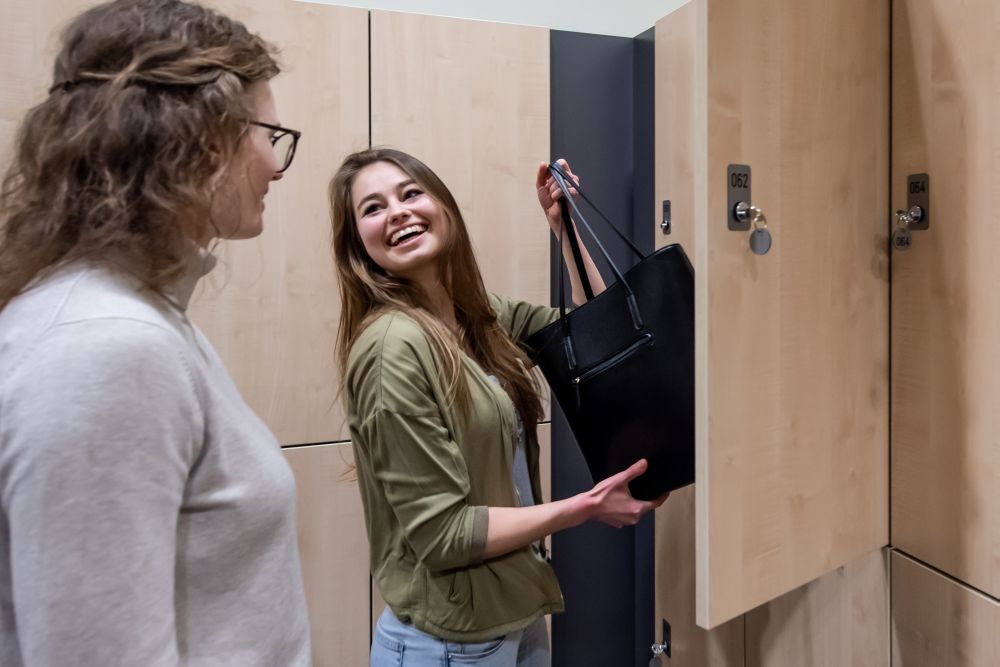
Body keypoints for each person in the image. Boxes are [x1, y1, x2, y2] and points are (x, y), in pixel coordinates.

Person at [0, 1, 310, 664]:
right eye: (270, 135)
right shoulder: (104, 347)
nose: (276, 166)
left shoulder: (137, 320)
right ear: (204, 137)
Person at [330, 148, 668, 666]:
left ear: (442, 206)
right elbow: (444, 535)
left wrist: (565, 229)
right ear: (358, 244)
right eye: (373, 208)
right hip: (449, 640)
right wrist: (585, 507)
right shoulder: (391, 347)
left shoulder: (476, 316)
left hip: (512, 613)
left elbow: (599, 332)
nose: (397, 211)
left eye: (410, 192)